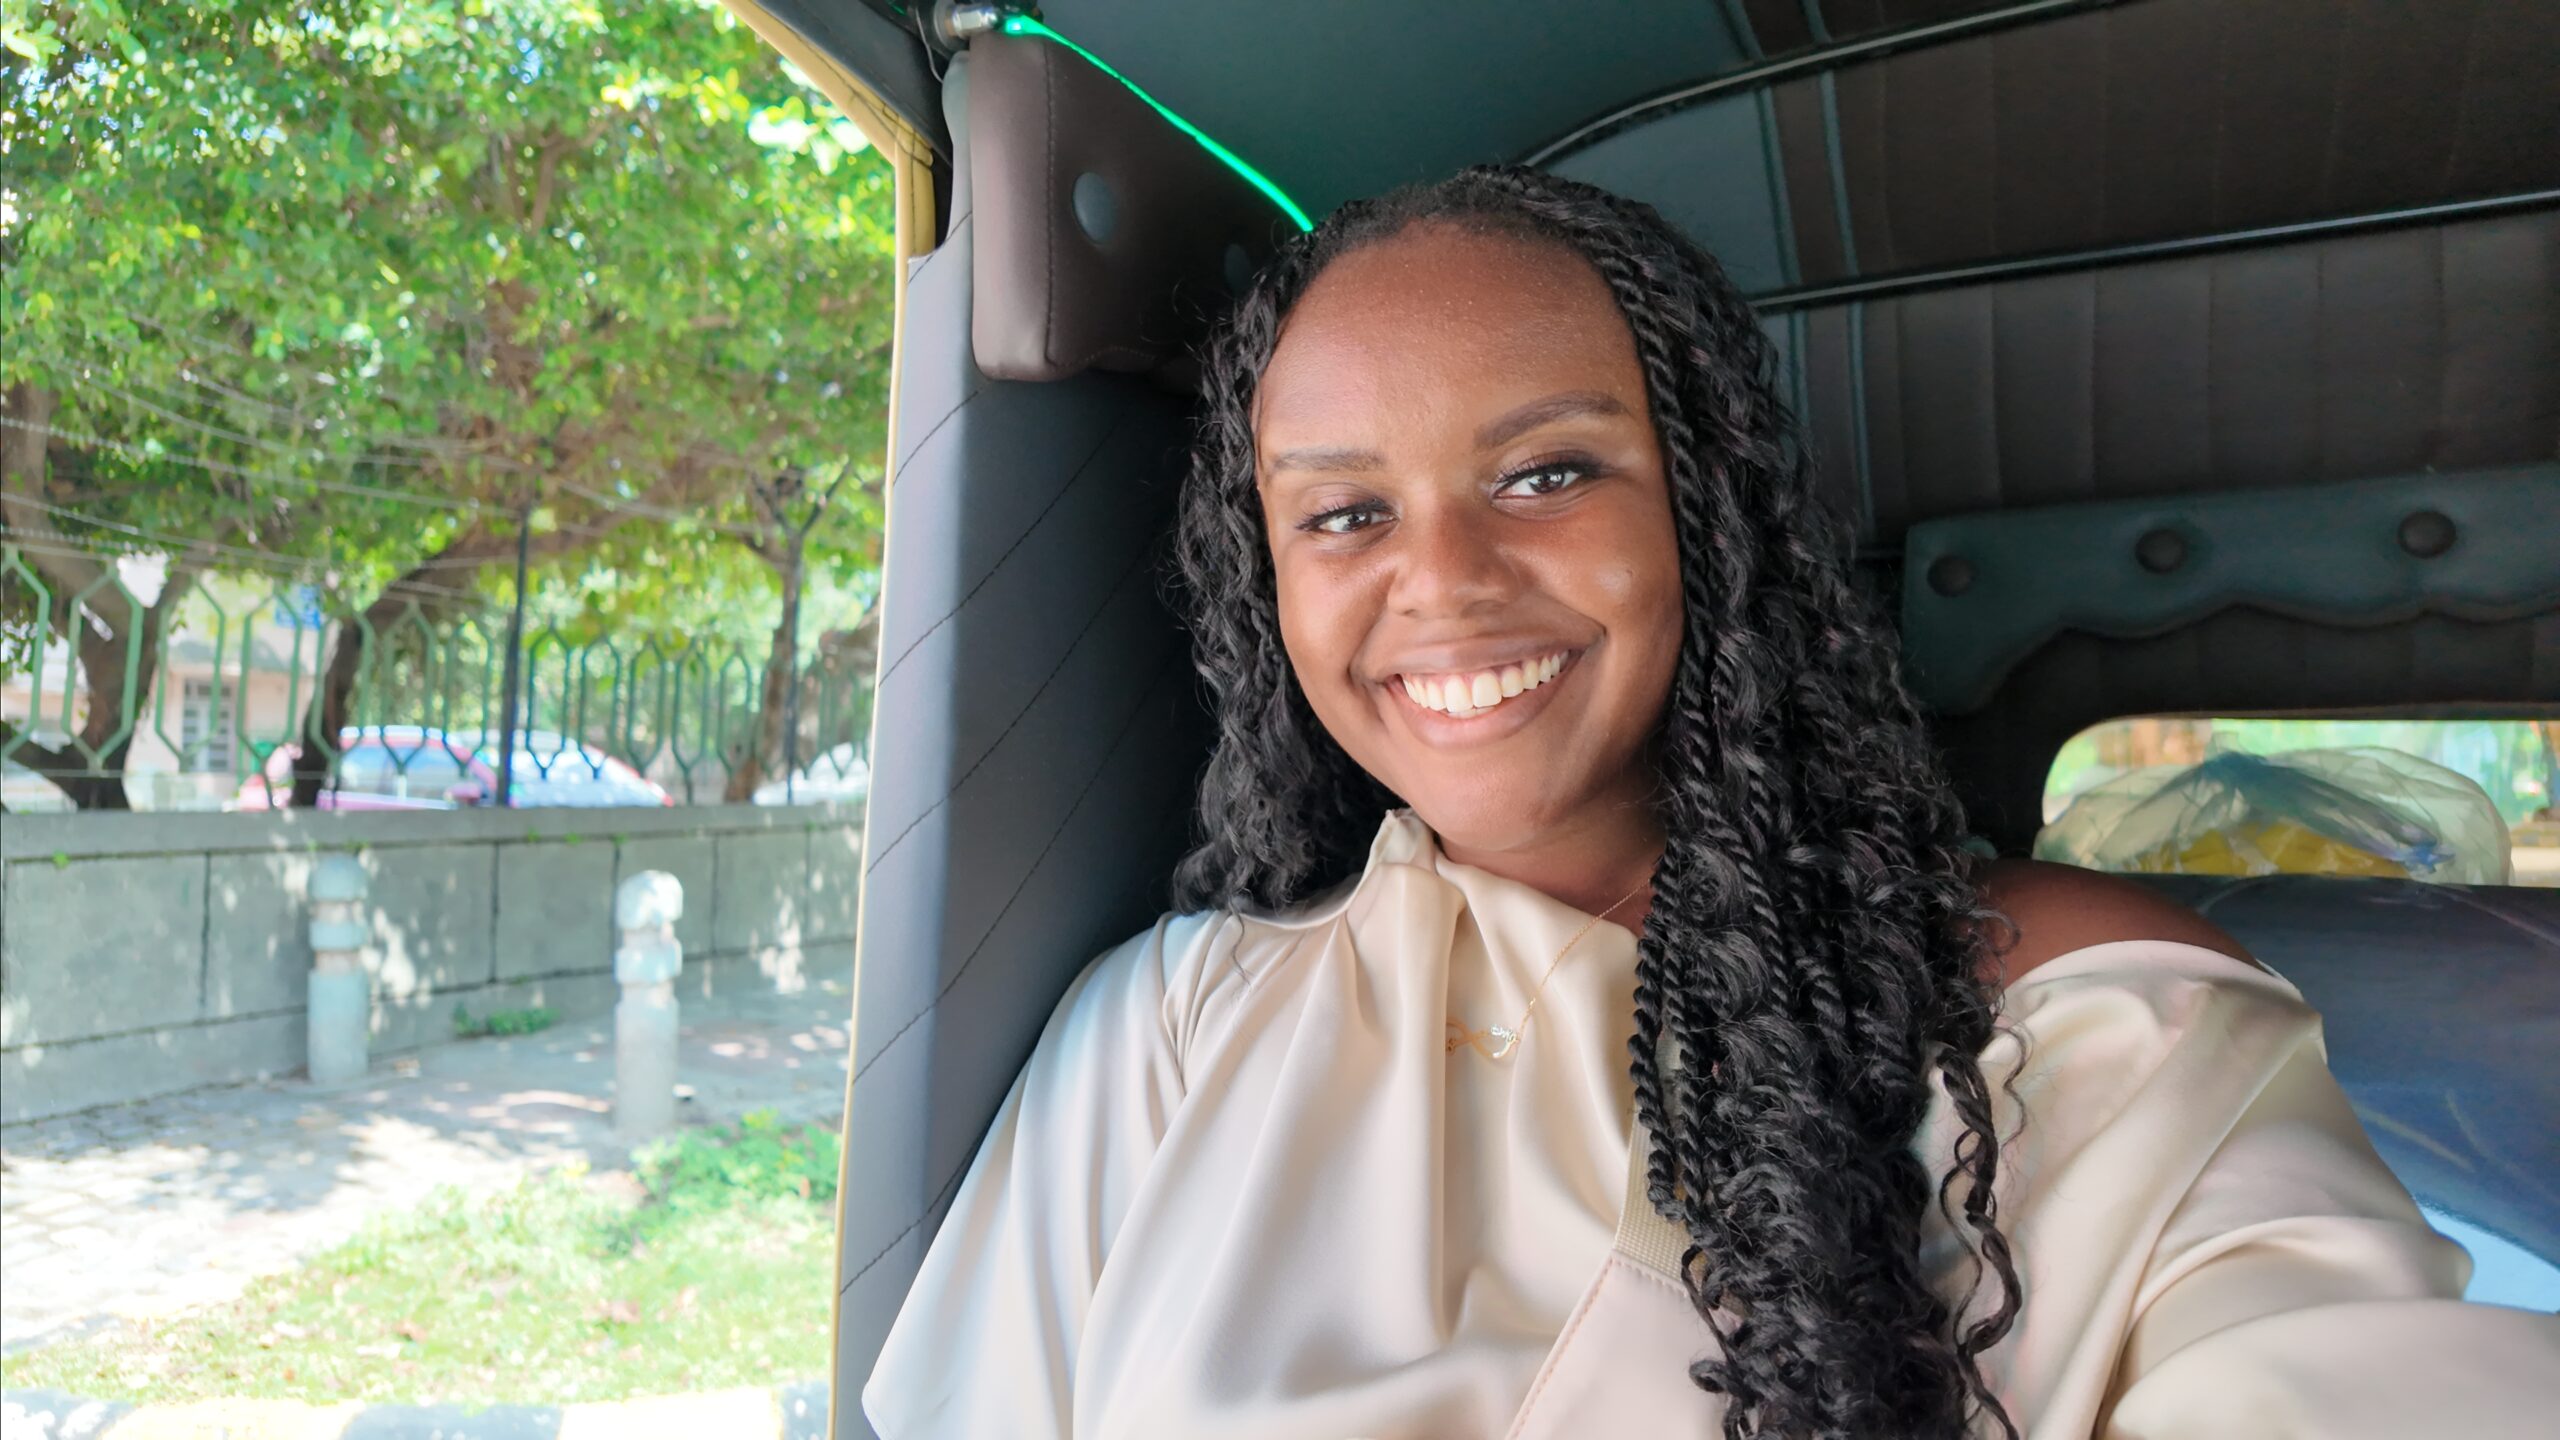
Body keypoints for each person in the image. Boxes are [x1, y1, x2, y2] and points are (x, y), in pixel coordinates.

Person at [863, 167, 2558, 1438]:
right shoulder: (1163, 1032)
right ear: (1268, 579)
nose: (1441, 581)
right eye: (1346, 514)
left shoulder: (2070, 1012)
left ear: (1712, 518)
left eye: (1545, 474)